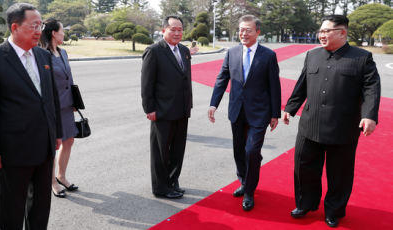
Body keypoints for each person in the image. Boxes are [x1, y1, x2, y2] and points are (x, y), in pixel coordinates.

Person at [283, 15, 380, 228]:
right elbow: (301, 85)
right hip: (309, 125)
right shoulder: (312, 55)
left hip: (342, 128)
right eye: (321, 31)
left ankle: (334, 210)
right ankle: (305, 203)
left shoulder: (362, 58)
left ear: (342, 32)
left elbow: (371, 89)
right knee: (304, 168)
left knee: (340, 174)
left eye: (327, 31)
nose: (321, 35)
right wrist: (290, 108)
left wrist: (369, 115)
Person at [0, 3, 62, 229]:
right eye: (34, 25)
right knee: (12, 209)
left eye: (41, 25)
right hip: (12, 152)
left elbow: (51, 98)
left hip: (44, 147)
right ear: (15, 27)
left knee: (40, 206)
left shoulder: (43, 56)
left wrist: (56, 133)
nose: (39, 30)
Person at [208, 15, 281, 211]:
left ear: (258, 32)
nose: (243, 33)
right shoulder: (232, 52)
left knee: (251, 151)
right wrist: (214, 104)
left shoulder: (268, 55)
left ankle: (249, 192)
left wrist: (275, 114)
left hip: (260, 112)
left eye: (248, 30)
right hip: (237, 111)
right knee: (239, 150)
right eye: (241, 29)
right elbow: (222, 78)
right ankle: (243, 180)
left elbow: (274, 86)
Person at [141, 15, 195, 199]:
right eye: (173, 29)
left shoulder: (184, 50)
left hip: (181, 110)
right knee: (161, 152)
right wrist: (149, 109)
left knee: (178, 149)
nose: (177, 33)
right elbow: (147, 83)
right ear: (163, 30)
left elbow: (185, 80)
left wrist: (189, 105)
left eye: (180, 29)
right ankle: (160, 187)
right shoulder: (154, 51)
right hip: (162, 111)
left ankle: (173, 181)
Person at [40, 18, 79, 198]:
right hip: (52, 107)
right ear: (54, 33)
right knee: (53, 145)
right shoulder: (42, 54)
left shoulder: (63, 53)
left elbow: (69, 80)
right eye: (62, 30)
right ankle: (52, 181)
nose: (64, 33)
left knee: (69, 140)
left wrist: (74, 102)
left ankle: (61, 175)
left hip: (67, 104)